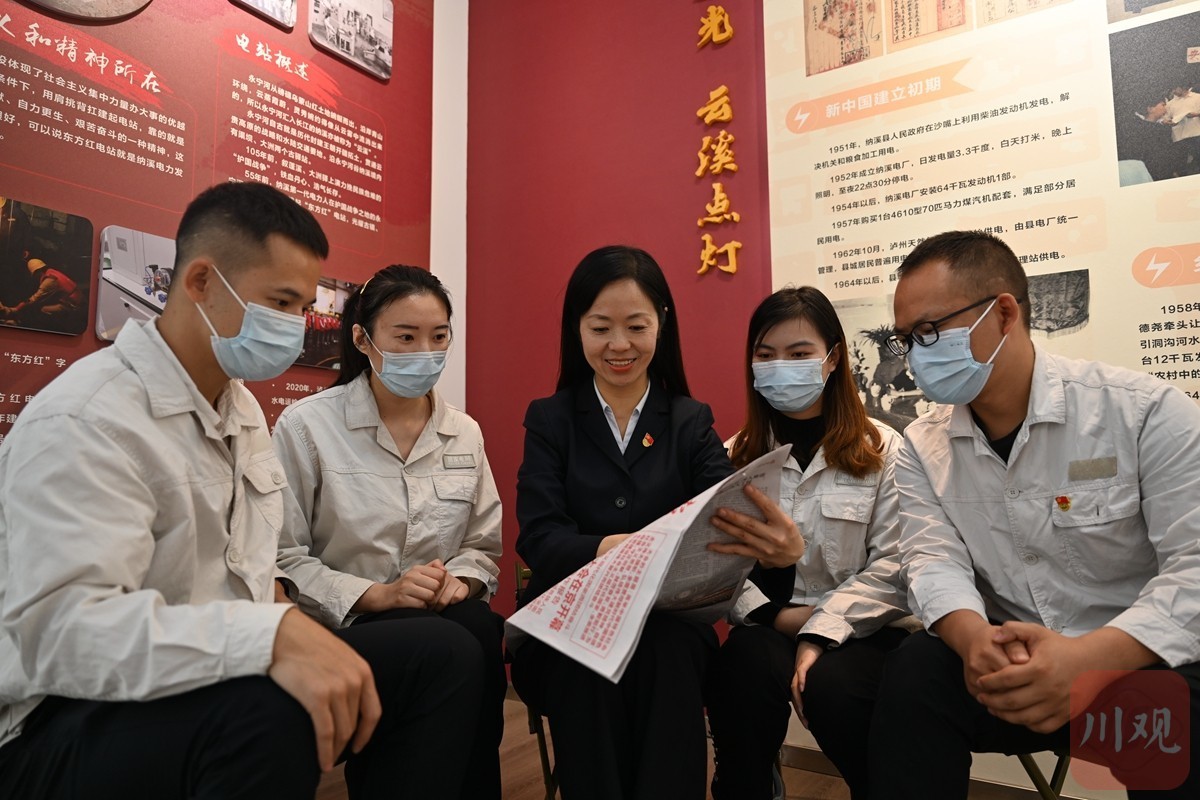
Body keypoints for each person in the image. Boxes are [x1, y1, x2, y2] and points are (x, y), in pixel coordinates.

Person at [0, 182, 484, 799]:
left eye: (302, 307)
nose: (293, 327)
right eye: (279, 302)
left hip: (218, 671)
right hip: (68, 718)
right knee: (270, 710)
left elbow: (254, 568)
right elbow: (62, 638)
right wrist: (269, 637)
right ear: (202, 282)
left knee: (444, 651)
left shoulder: (242, 410)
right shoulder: (88, 419)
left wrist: (281, 629)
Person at [871, 230, 1200, 800]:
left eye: (929, 331)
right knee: (913, 672)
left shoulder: (1143, 412)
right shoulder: (922, 446)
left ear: (1003, 314)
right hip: (1008, 666)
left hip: (1133, 663)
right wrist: (975, 641)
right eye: (907, 339)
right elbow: (931, 561)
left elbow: (1193, 568)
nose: (916, 355)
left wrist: (1086, 660)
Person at [511, 245, 803, 800]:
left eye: (636, 326)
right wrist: (621, 549)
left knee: (668, 655)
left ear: (661, 324)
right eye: (601, 327)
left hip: (667, 629)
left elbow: (729, 522)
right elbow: (540, 538)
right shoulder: (550, 419)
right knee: (586, 666)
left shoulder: (690, 422)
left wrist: (778, 548)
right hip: (567, 624)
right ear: (577, 328)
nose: (619, 345)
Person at [274, 264, 505, 799]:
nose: (425, 351)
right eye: (405, 337)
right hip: (345, 621)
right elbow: (282, 558)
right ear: (362, 339)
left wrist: (460, 581)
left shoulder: (463, 432)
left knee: (478, 625)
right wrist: (378, 595)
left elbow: (481, 544)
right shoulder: (307, 426)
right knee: (449, 643)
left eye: (438, 337)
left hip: (438, 617)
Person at [704, 287, 910, 800]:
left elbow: (895, 565)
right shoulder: (733, 457)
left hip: (864, 629)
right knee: (742, 667)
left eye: (799, 354)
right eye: (766, 355)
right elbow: (717, 565)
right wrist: (780, 619)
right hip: (772, 625)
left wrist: (820, 628)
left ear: (833, 357)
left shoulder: (884, 449)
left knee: (835, 688)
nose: (782, 368)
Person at [0, 257, 86, 321]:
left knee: (43, 309)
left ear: (36, 272)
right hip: (77, 300)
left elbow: (34, 299)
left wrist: (16, 309)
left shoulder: (49, 281)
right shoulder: (52, 272)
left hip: (74, 306)